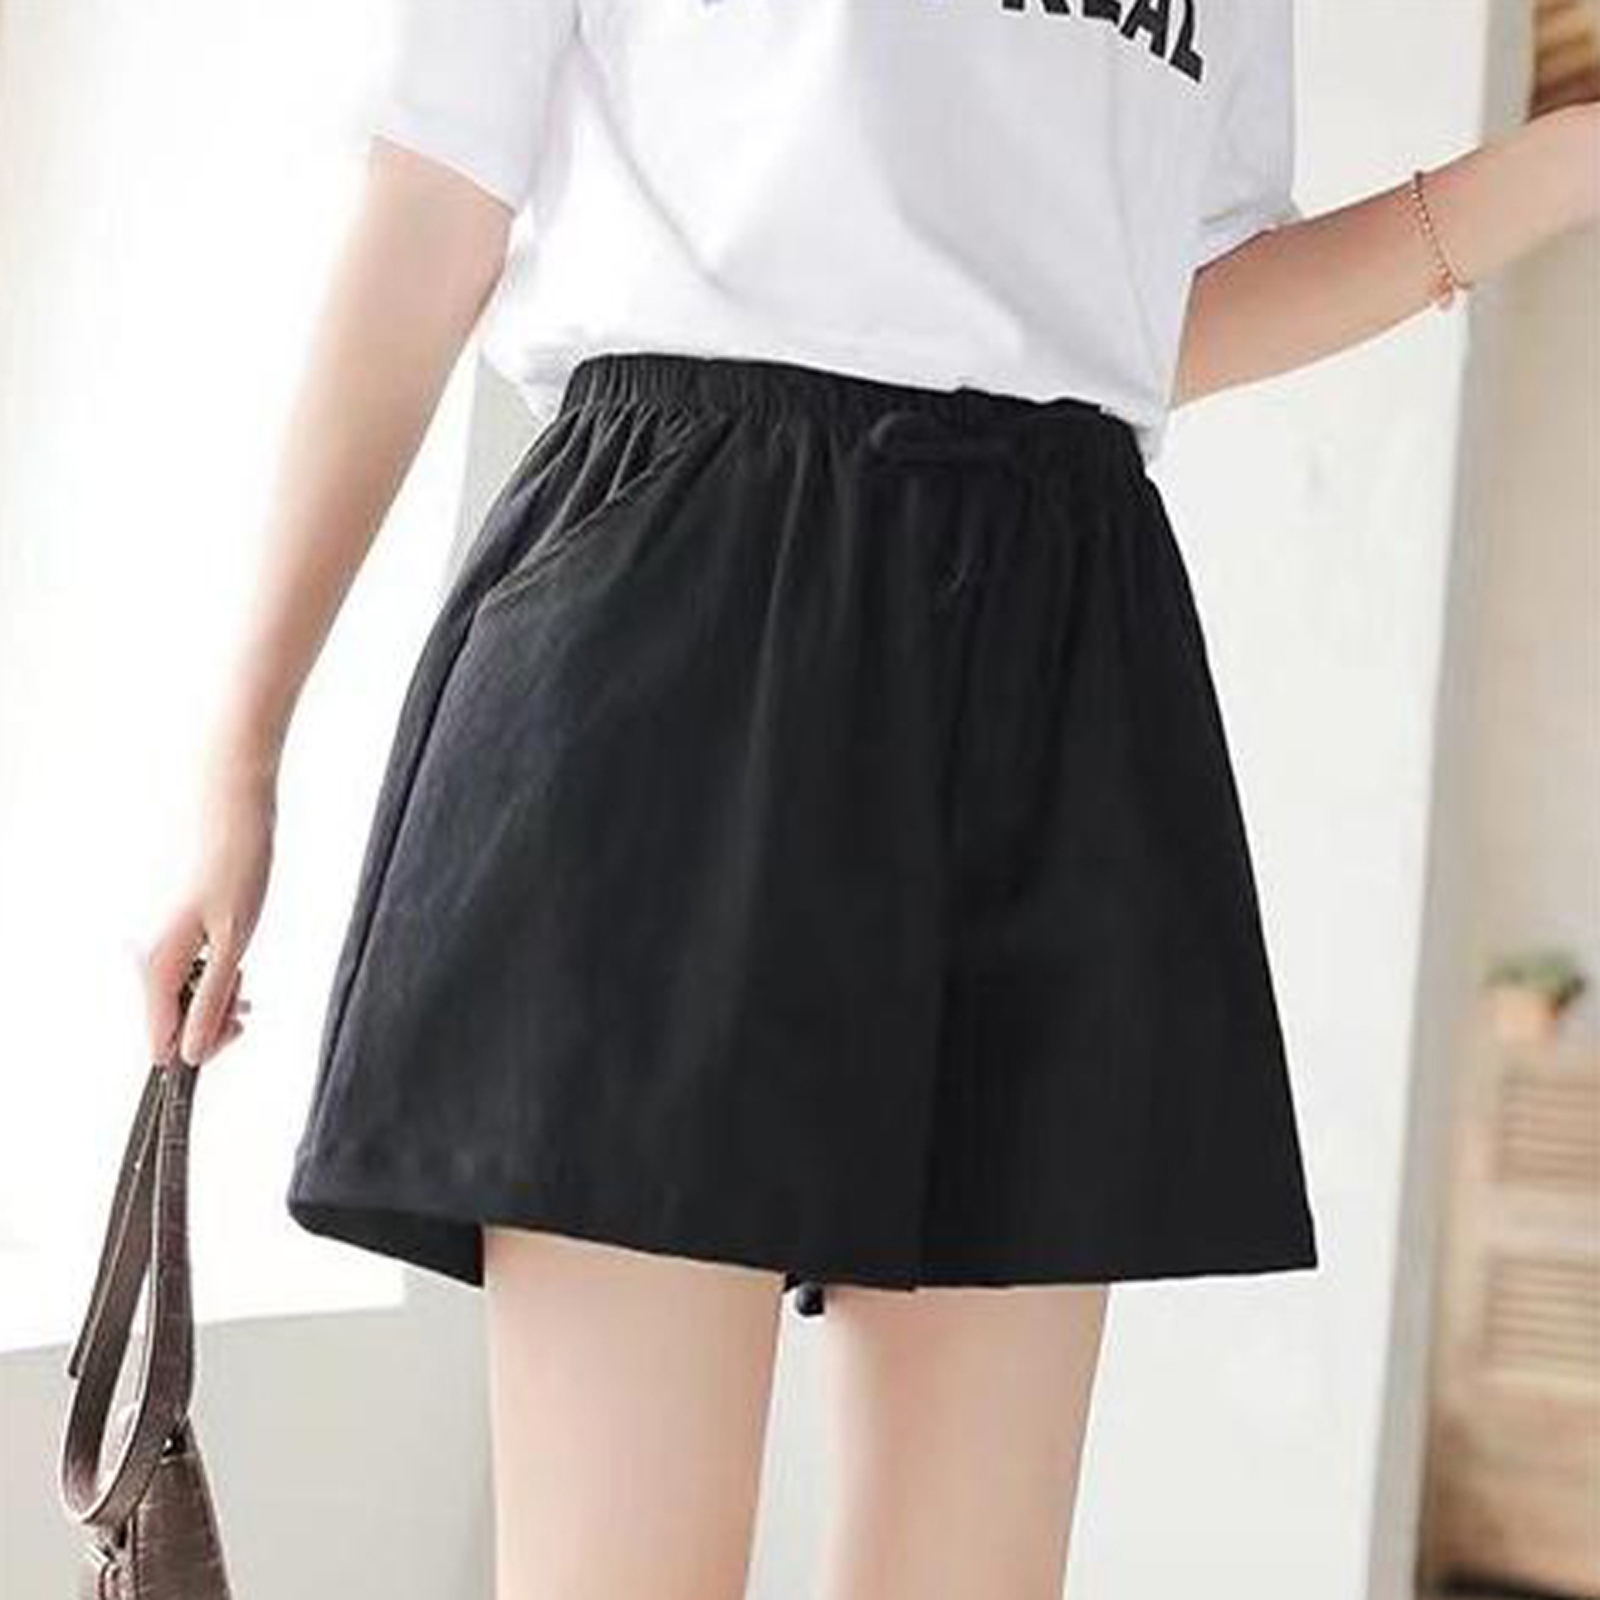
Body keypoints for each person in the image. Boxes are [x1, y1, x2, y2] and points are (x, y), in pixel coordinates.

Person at [141, 3, 1598, 1597]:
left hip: (1062, 634)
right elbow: (433, 207)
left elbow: (1166, 304)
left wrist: (1566, 163)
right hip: (688, 604)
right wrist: (244, 749)